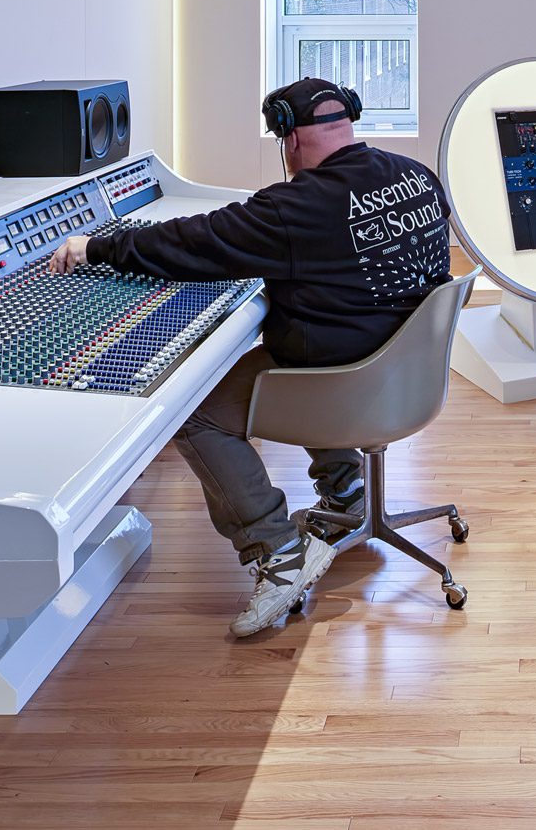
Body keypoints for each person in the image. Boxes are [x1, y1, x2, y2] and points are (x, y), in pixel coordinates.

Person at [52, 77, 451, 637]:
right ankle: (347, 491)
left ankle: (279, 550)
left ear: (288, 135)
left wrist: (99, 246)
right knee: (310, 341)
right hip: (404, 373)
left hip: (342, 382)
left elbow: (198, 242)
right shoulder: (417, 176)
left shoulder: (297, 206)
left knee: (192, 412)